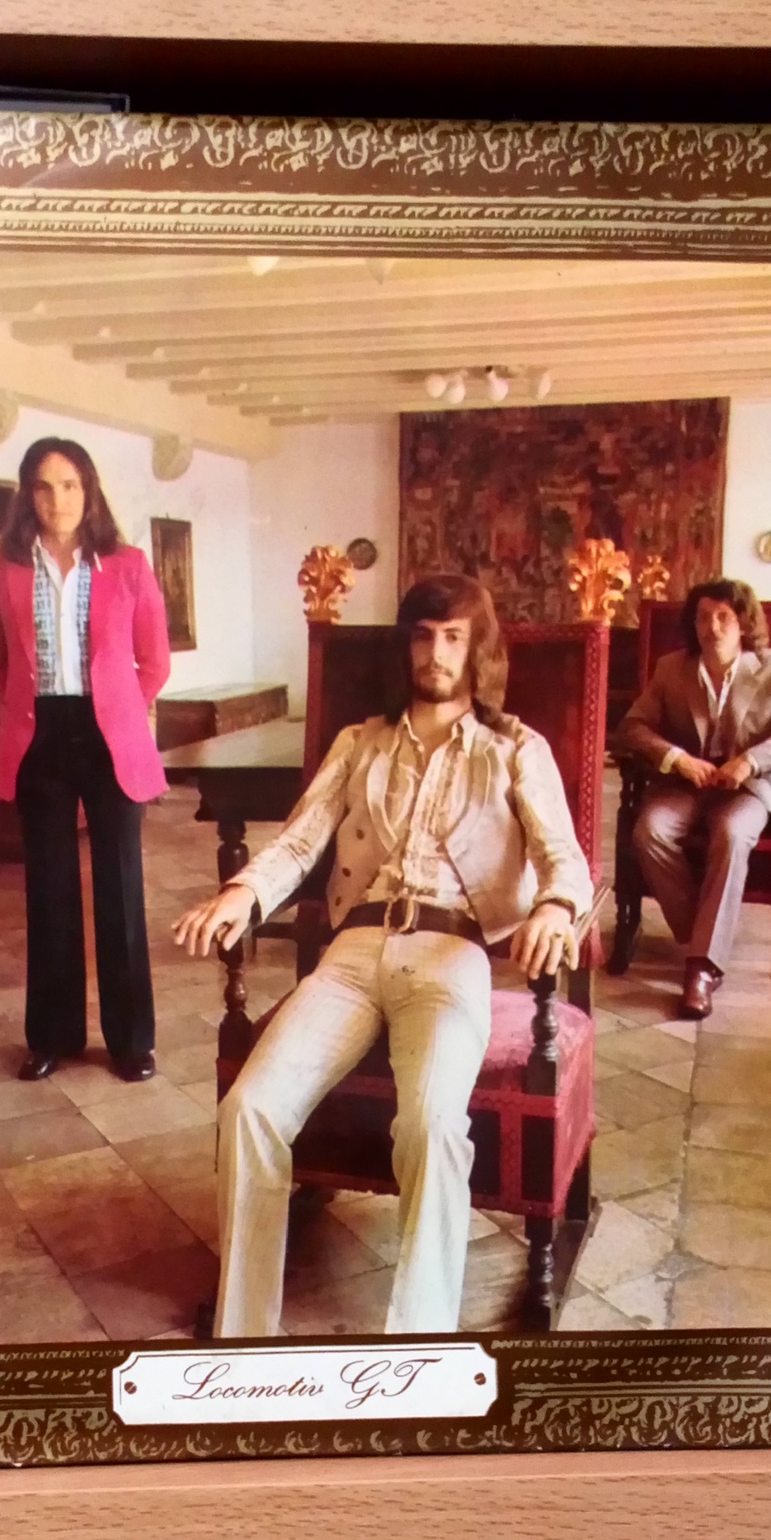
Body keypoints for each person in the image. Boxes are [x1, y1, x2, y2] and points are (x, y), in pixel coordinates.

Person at [173, 573, 594, 1337]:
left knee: (431, 1126)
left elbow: (565, 857)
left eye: (454, 637)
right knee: (250, 1109)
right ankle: (242, 1339)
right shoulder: (359, 743)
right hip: (352, 955)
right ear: (406, 647)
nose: (437, 652)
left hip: (450, 956)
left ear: (477, 650)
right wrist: (243, 893)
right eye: (424, 636)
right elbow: (300, 840)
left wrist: (556, 908)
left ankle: (418, 1343)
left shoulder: (515, 749)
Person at [0, 436, 171, 1084]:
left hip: (111, 735)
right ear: (27, 495)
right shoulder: (2, 568)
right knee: (49, 889)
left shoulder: (128, 564)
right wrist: (28, 705)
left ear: (88, 491)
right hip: (41, 734)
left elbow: (155, 661)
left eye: (69, 485)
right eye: (44, 486)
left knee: (120, 886)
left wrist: (119, 707)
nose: (57, 499)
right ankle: (53, 1037)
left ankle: (131, 1041)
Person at [614, 576, 771, 1020]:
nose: (711, 627)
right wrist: (676, 759)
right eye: (703, 617)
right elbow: (632, 727)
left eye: (723, 617)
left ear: (744, 623)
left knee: (731, 832)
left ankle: (702, 969)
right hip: (685, 783)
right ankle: (705, 939)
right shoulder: (672, 668)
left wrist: (750, 761)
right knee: (649, 830)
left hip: (748, 788)